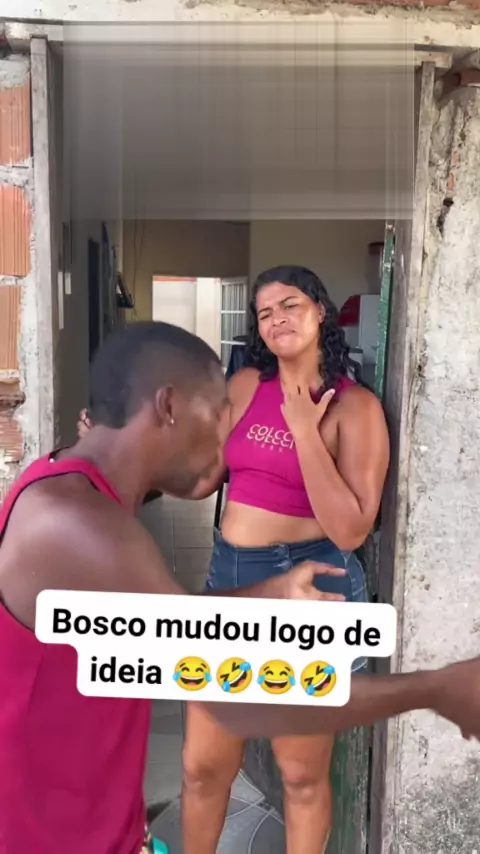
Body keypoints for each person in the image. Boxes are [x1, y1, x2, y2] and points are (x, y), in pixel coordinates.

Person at [0, 321, 347, 854]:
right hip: (47, 836)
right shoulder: (81, 526)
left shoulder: (73, 486)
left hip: (80, 819)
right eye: (217, 414)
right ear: (168, 406)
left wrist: (275, 592)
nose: (223, 437)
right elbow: (195, 643)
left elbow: (174, 616)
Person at [172, 265, 389, 854]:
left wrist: (304, 431)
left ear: (320, 310)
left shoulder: (357, 408)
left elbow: (350, 528)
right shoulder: (246, 385)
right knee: (202, 765)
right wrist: (134, 446)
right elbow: (205, 479)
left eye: (290, 305)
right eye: (265, 313)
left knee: (300, 774)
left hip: (311, 586)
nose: (277, 320)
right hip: (231, 582)